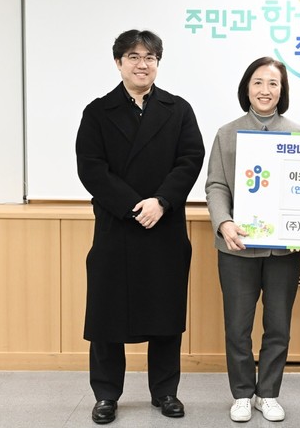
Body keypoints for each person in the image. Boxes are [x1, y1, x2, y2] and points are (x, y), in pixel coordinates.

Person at [75, 29, 205, 424]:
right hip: (116, 227)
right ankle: (106, 395)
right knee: (106, 317)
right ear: (119, 63)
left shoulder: (178, 109)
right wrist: (134, 206)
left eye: (149, 57)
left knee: (165, 315)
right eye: (133, 57)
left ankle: (165, 392)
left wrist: (161, 201)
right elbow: (91, 169)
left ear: (158, 63)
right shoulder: (98, 112)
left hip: (164, 227)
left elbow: (190, 159)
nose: (142, 64)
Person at [205, 57, 300, 423]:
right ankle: (242, 394)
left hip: (283, 250)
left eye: (273, 84)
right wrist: (224, 223)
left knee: (278, 325)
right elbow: (216, 185)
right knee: (238, 326)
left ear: (283, 91)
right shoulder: (227, 133)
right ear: (247, 88)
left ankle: (268, 393)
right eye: (258, 82)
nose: (266, 90)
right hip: (237, 247)